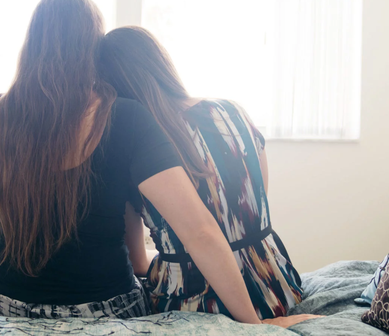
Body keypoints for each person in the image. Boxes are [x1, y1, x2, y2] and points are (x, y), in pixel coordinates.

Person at [0, 0, 316, 329]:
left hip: (8, 309)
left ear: (31, 44)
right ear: (93, 48)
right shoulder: (124, 116)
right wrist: (255, 325)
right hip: (108, 312)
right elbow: (200, 230)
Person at [97, 26, 309, 321]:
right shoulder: (233, 111)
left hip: (197, 300)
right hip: (276, 284)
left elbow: (137, 260)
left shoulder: (136, 142)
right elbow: (257, 208)